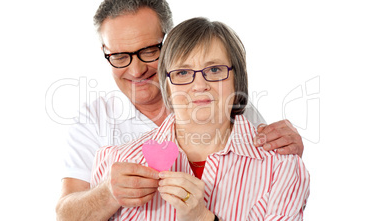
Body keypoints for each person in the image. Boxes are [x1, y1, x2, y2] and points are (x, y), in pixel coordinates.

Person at [56, 0, 305, 220]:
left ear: (169, 44)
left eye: (148, 50)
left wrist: (288, 153)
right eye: (120, 56)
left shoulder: (240, 113)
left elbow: (275, 165)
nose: (135, 70)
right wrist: (107, 193)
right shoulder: (102, 138)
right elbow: (66, 215)